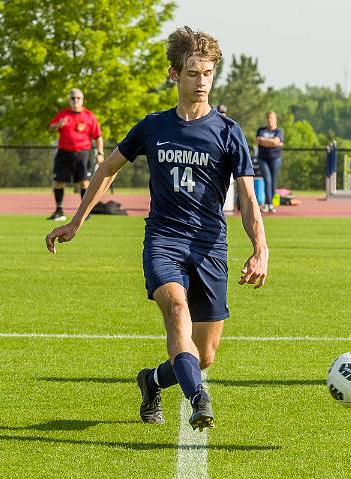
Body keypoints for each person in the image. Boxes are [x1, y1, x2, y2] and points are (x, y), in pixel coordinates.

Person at [45, 27, 268, 431]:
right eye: (193, 73)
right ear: (173, 74)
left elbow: (249, 199)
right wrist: (76, 220)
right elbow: (107, 169)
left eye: (208, 73)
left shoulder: (227, 131)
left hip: (210, 247)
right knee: (177, 312)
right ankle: (199, 397)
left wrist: (260, 248)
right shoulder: (152, 127)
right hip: (163, 240)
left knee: (204, 356)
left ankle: (151, 381)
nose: (201, 82)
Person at [47, 88, 104, 221]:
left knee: (84, 183)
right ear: (69, 100)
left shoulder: (89, 116)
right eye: (72, 98)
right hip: (64, 152)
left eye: (78, 98)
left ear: (82, 100)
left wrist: (100, 153)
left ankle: (85, 213)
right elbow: (50, 129)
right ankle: (59, 211)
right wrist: (58, 124)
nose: (75, 100)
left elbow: (98, 136)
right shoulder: (62, 115)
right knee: (58, 182)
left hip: (82, 153)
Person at [256, 111, 284, 213]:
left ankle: (270, 203)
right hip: (262, 159)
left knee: (273, 181)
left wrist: (264, 141)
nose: (269, 120)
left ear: (275, 119)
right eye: (268, 117)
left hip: (275, 159)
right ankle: (267, 204)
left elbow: (276, 141)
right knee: (267, 180)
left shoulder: (279, 131)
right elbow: (258, 141)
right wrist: (273, 143)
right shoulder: (261, 130)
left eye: (271, 118)